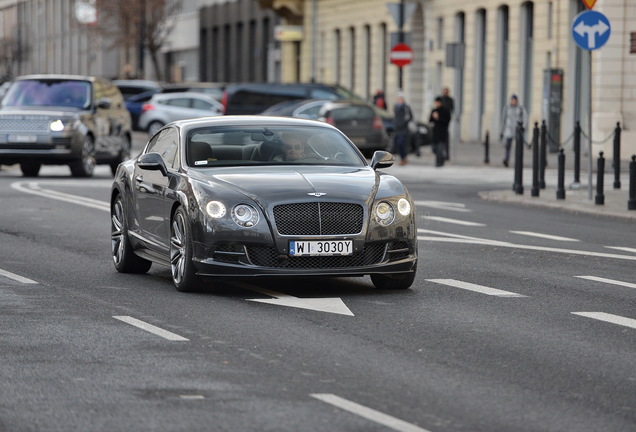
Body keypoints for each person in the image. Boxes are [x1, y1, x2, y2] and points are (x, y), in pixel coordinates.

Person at [499, 94, 528, 167]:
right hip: (509, 130)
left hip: (518, 131)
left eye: (514, 100)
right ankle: (506, 159)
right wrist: (502, 131)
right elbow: (503, 120)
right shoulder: (507, 108)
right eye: (512, 100)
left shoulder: (520, 108)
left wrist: (523, 127)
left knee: (518, 147)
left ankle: (518, 161)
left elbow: (525, 118)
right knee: (508, 146)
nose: (513, 101)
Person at [429, 96, 451, 167]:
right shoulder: (434, 110)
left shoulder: (445, 111)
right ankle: (442, 158)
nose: (436, 104)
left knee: (440, 149)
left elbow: (446, 121)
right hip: (435, 132)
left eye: (437, 102)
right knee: (434, 148)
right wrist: (433, 117)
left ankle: (438, 163)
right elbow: (430, 120)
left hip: (442, 132)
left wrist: (438, 118)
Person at [393, 94, 413, 166]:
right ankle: (403, 158)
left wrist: (404, 123)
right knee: (398, 144)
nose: (399, 101)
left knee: (402, 143)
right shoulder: (396, 107)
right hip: (397, 128)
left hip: (404, 129)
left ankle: (404, 158)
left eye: (400, 99)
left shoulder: (406, 107)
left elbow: (410, 117)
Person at [438, 87, 454, 161]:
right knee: (440, 139)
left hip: (446, 120)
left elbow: (451, 109)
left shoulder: (450, 100)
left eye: (446, 91)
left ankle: (446, 154)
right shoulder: (440, 99)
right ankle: (440, 153)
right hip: (439, 121)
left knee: (445, 138)